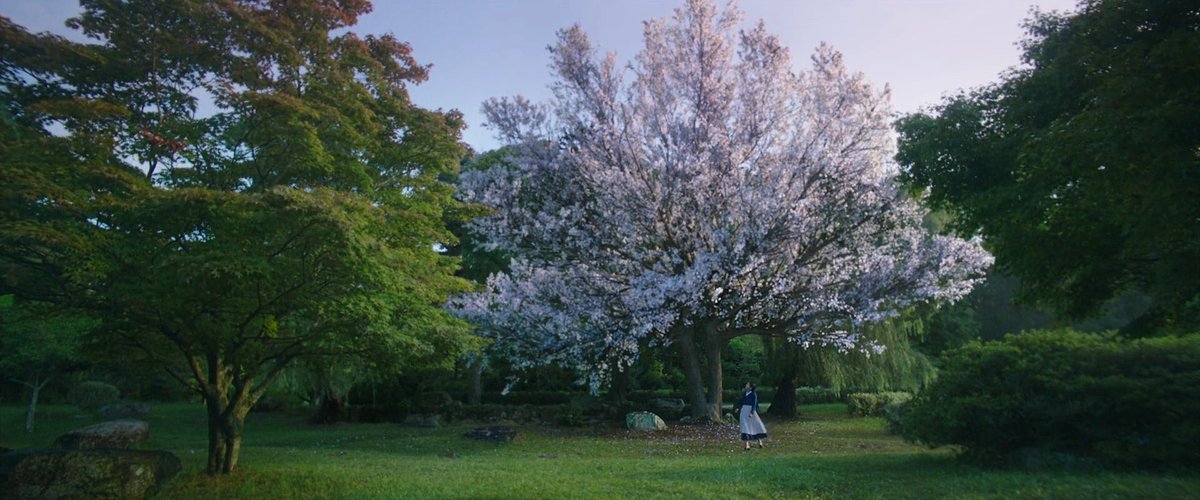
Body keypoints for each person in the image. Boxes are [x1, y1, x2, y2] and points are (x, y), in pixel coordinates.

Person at [738, 382, 767, 450]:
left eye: (747, 385)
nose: (746, 386)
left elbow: (754, 404)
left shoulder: (753, 394)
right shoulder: (744, 394)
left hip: (750, 411)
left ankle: (760, 441)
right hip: (744, 411)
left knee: (755, 426)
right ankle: (747, 444)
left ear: (751, 387)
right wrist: (738, 408)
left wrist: (751, 412)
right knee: (745, 427)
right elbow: (741, 401)